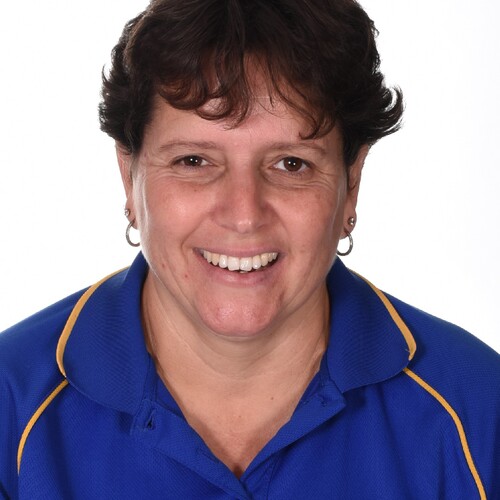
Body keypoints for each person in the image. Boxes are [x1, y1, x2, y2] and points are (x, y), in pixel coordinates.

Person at [1, 0, 499, 498]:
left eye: (291, 164)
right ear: (129, 176)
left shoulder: (479, 411)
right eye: (194, 160)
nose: (243, 214)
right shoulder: (11, 405)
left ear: (351, 183)